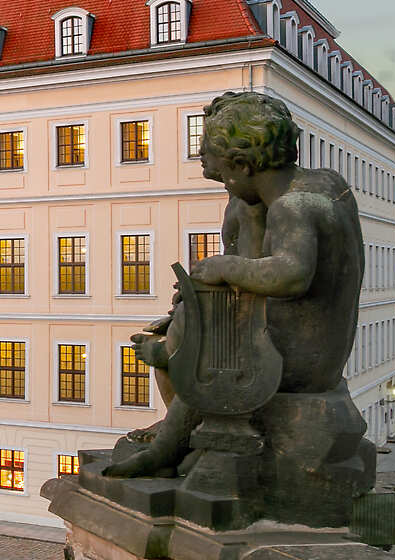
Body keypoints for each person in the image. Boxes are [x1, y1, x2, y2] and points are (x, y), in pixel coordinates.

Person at [107, 92, 365, 477]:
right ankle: (177, 418)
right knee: (186, 328)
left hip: (298, 361)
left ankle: (164, 450)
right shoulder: (324, 184)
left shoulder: (292, 207)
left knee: (197, 354)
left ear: (243, 165)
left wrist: (225, 267)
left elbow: (292, 274)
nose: (223, 187)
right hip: (317, 350)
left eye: (224, 176)